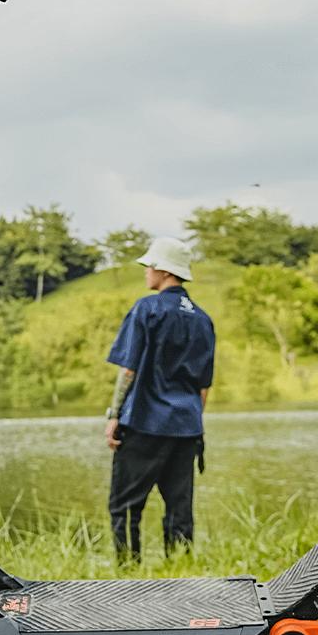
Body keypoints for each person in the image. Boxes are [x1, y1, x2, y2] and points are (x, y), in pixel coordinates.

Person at [104, 236, 215, 561]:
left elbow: (129, 371)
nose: (146, 272)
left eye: (149, 265)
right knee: (180, 508)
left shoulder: (147, 309)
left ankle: (128, 570)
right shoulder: (202, 318)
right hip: (186, 429)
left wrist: (114, 416)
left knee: (124, 506)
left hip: (144, 424)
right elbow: (203, 387)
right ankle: (180, 567)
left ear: (164, 271)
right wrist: (190, 420)